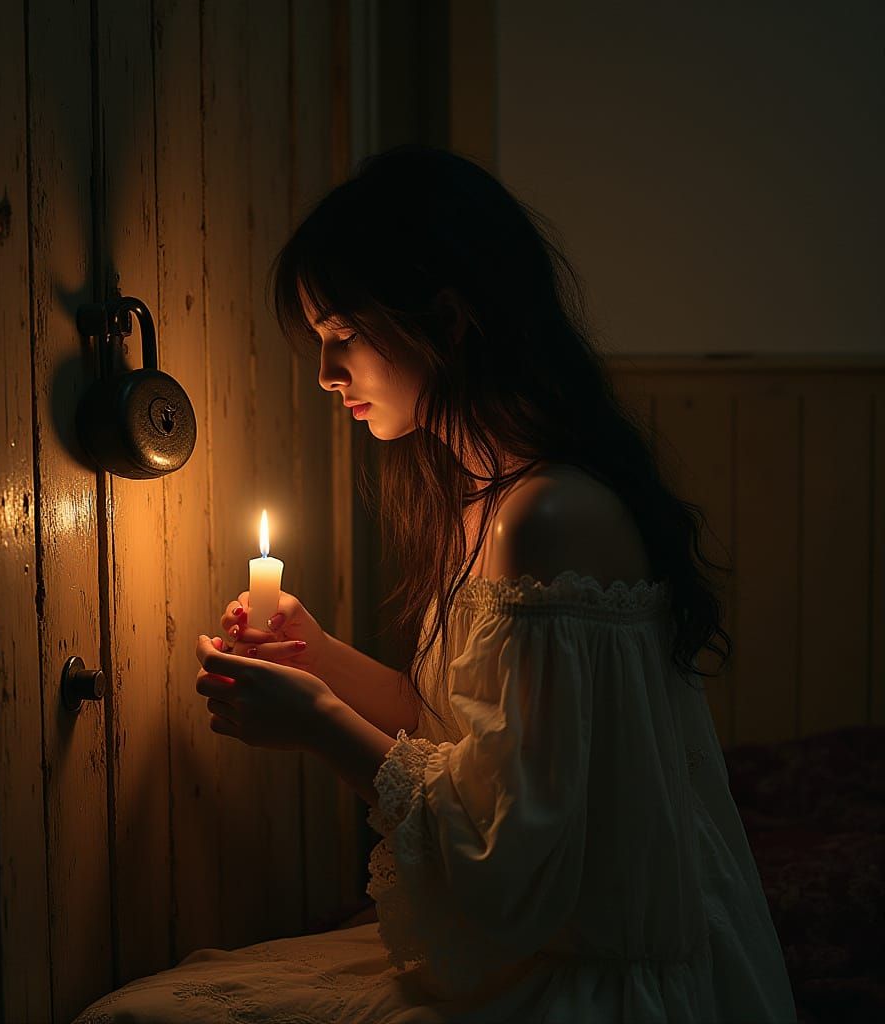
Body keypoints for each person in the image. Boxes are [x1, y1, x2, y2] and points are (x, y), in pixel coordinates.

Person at [75, 146, 796, 1023]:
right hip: (531, 947)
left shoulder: (550, 516)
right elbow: (466, 741)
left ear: (447, 322)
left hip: (585, 974)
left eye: (344, 333)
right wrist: (318, 656)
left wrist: (318, 722)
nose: (325, 371)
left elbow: (512, 856)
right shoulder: (489, 499)